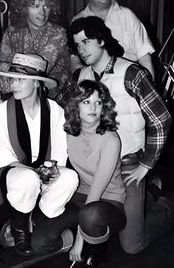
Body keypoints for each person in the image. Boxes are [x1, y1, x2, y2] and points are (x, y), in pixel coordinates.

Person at [66, 16, 174, 255]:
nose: (81, 49)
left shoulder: (131, 72)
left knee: (132, 245)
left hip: (128, 165)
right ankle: (149, 195)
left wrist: (146, 165)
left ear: (102, 40)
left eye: (86, 41)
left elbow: (162, 118)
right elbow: (59, 113)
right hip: (94, 166)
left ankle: (170, 207)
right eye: (78, 44)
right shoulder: (80, 77)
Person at [0, 53, 79, 256]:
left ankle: (38, 218)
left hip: (42, 168)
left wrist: (52, 168)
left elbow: (59, 148)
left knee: (70, 178)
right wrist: (32, 170)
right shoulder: (2, 111)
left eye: (20, 80)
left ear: (37, 83)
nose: (14, 85)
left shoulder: (54, 110)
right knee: (27, 178)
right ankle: (20, 227)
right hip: (14, 172)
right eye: (12, 79)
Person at [64, 80, 126, 267]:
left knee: (90, 215)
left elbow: (96, 191)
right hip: (81, 193)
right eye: (86, 102)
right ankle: (89, 233)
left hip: (109, 198)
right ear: (76, 105)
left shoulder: (110, 140)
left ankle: (98, 249)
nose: (93, 107)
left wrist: (79, 239)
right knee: (49, 229)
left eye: (98, 102)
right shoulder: (69, 131)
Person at [71, 0, 155, 79]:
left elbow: (144, 58)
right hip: (94, 84)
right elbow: (74, 62)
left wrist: (149, 86)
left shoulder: (128, 16)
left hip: (129, 80)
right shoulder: (78, 21)